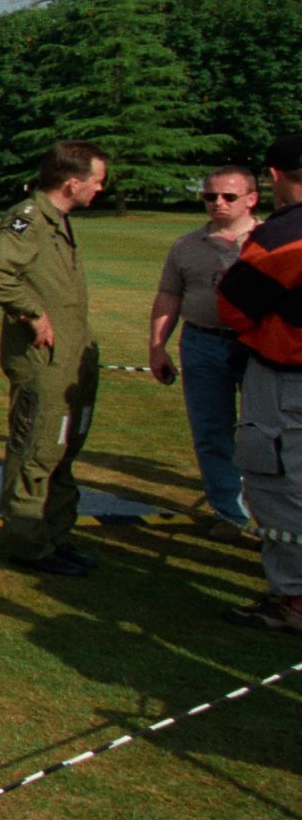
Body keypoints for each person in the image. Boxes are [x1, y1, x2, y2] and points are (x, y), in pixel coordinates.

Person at [0, 141, 108, 576]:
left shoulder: (57, 224)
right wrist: (31, 311)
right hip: (43, 362)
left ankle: (54, 536)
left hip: (70, 360)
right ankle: (28, 544)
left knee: (63, 450)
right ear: (73, 182)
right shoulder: (29, 220)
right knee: (37, 449)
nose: (101, 189)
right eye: (97, 182)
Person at [216, 134, 302, 632]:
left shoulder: (282, 236)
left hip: (288, 380)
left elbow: (235, 305)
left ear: (272, 176)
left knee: (280, 484)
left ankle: (292, 600)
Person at [148, 166, 260, 542]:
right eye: (210, 197)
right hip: (202, 343)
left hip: (259, 345)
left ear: (252, 198)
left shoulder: (270, 241)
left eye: (229, 196)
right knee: (211, 431)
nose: (218, 203)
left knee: (266, 432)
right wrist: (157, 346)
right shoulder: (186, 246)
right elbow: (169, 296)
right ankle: (230, 515)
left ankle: (276, 515)